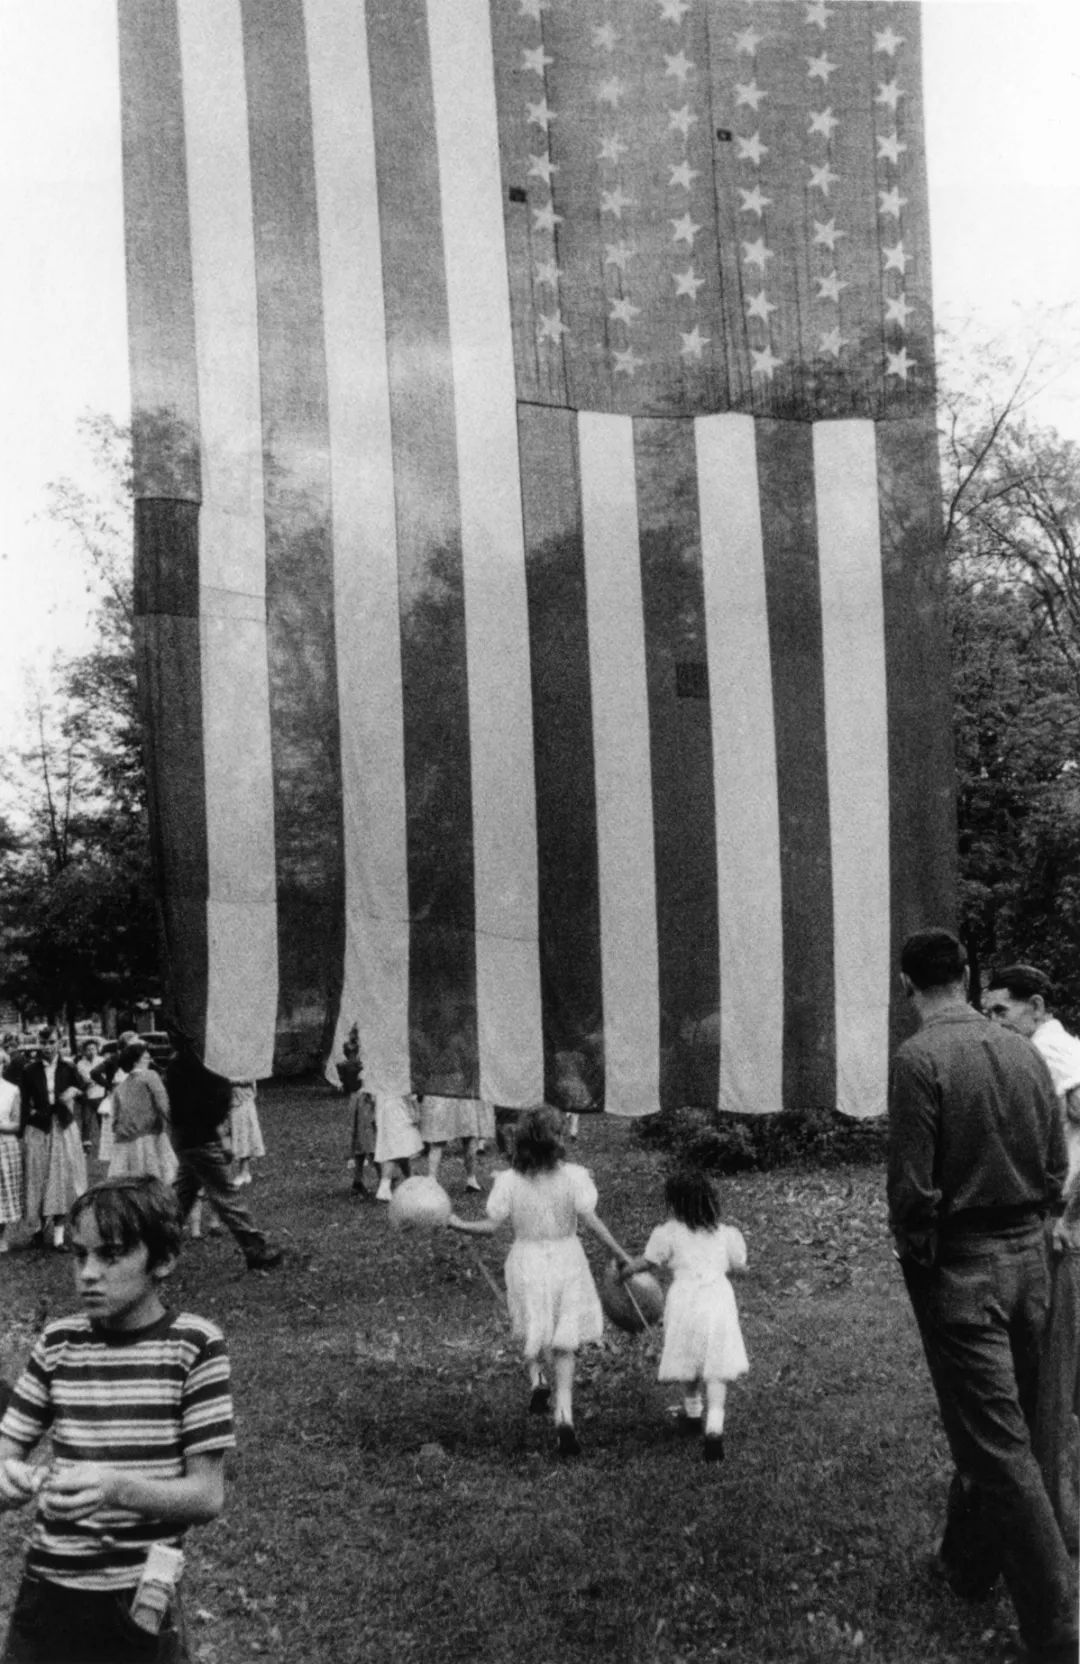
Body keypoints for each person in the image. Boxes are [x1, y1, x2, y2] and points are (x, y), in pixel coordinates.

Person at [888, 928, 1077, 1664]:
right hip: (1032, 1259)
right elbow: (1060, 1165)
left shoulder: (919, 1059)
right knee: (1015, 1423)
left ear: (909, 987)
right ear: (965, 976)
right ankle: (968, 1563)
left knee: (1000, 1445)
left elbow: (912, 1194)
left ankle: (1056, 1623)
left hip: (964, 1266)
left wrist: (926, 1261)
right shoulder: (1025, 1051)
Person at [0, 1176, 233, 1663]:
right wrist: (9, 1481)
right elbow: (5, 1454)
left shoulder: (194, 1346)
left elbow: (207, 1496)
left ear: (163, 1260)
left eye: (111, 1255)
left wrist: (115, 1488)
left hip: (138, 1600)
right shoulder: (59, 1343)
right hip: (47, 1595)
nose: (88, 1272)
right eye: (80, 1255)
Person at [448, 1104, 630, 1457]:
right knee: (564, 1341)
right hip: (567, 1260)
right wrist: (620, 1254)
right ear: (557, 1140)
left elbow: (490, 1227)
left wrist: (457, 1224)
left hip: (527, 1261)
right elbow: (592, 1223)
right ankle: (564, 1417)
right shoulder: (574, 1177)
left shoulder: (509, 1182)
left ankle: (536, 1380)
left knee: (532, 1322)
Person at [984, 963, 1080, 1549]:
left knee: (1055, 1372)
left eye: (1001, 1011)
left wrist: (1069, 1218)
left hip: (1065, 1225)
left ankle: (1058, 1514)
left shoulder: (1049, 1050)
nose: (995, 1022)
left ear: (1036, 1005)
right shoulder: (1054, 1045)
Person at [620, 1168, 749, 1464]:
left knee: (690, 1355)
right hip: (717, 1298)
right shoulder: (725, 1234)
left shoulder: (668, 1234)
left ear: (674, 1203)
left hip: (685, 1300)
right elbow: (739, 1264)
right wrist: (740, 1268)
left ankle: (693, 1413)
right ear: (710, 1201)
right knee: (717, 1364)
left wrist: (624, 1271)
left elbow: (648, 1263)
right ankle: (714, 1427)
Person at [164, 1029, 282, 1271]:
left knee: (181, 1199)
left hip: (186, 1140)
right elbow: (217, 1100)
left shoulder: (176, 1066)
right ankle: (256, 1249)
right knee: (226, 1195)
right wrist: (221, 1133)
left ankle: (153, 1247)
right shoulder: (203, 1066)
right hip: (202, 1139)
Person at [18, 1030, 85, 1251]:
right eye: (43, 1042)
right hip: (38, 1129)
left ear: (60, 1042)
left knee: (61, 1177)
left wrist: (75, 1091)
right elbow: (23, 1103)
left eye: (51, 1042)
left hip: (63, 1126)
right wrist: (32, 1117)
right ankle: (38, 1229)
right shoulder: (29, 1070)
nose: (47, 1047)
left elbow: (85, 1089)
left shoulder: (69, 1068)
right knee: (37, 1177)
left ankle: (58, 1236)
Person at [108, 1040, 179, 1185]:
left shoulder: (121, 1086)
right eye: (145, 1054)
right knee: (160, 1176)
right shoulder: (150, 1076)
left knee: (132, 1178)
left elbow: (115, 1119)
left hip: (126, 1139)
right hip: (150, 1135)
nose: (148, 1056)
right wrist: (174, 1123)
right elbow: (163, 1104)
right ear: (136, 1060)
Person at [336, 1038, 376, 1197]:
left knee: (362, 1141)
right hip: (364, 1101)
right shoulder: (353, 1067)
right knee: (370, 1139)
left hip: (360, 1100)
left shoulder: (349, 1066)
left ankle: (358, 1180)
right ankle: (385, 1180)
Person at [420, 1094, 484, 1192]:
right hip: (463, 1099)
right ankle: (471, 1180)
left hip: (442, 1098)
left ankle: (431, 1179)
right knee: (469, 1139)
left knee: (438, 1141)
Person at [371, 1092, 423, 1203]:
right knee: (398, 1148)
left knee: (402, 1148)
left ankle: (411, 1182)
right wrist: (416, 1109)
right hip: (398, 1108)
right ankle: (384, 1187)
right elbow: (407, 1089)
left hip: (383, 1107)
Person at [0, 1053, 23, 1253]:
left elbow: (16, 1124)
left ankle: (2, 1237)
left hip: (5, 1144)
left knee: (4, 1191)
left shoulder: (12, 1090)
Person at [227, 1080, 264, 1187]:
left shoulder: (246, 1066)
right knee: (226, 1135)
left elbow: (249, 1079)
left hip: (242, 1099)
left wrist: (233, 1079)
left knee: (243, 1134)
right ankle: (227, 1171)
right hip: (227, 1099)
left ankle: (244, 1171)